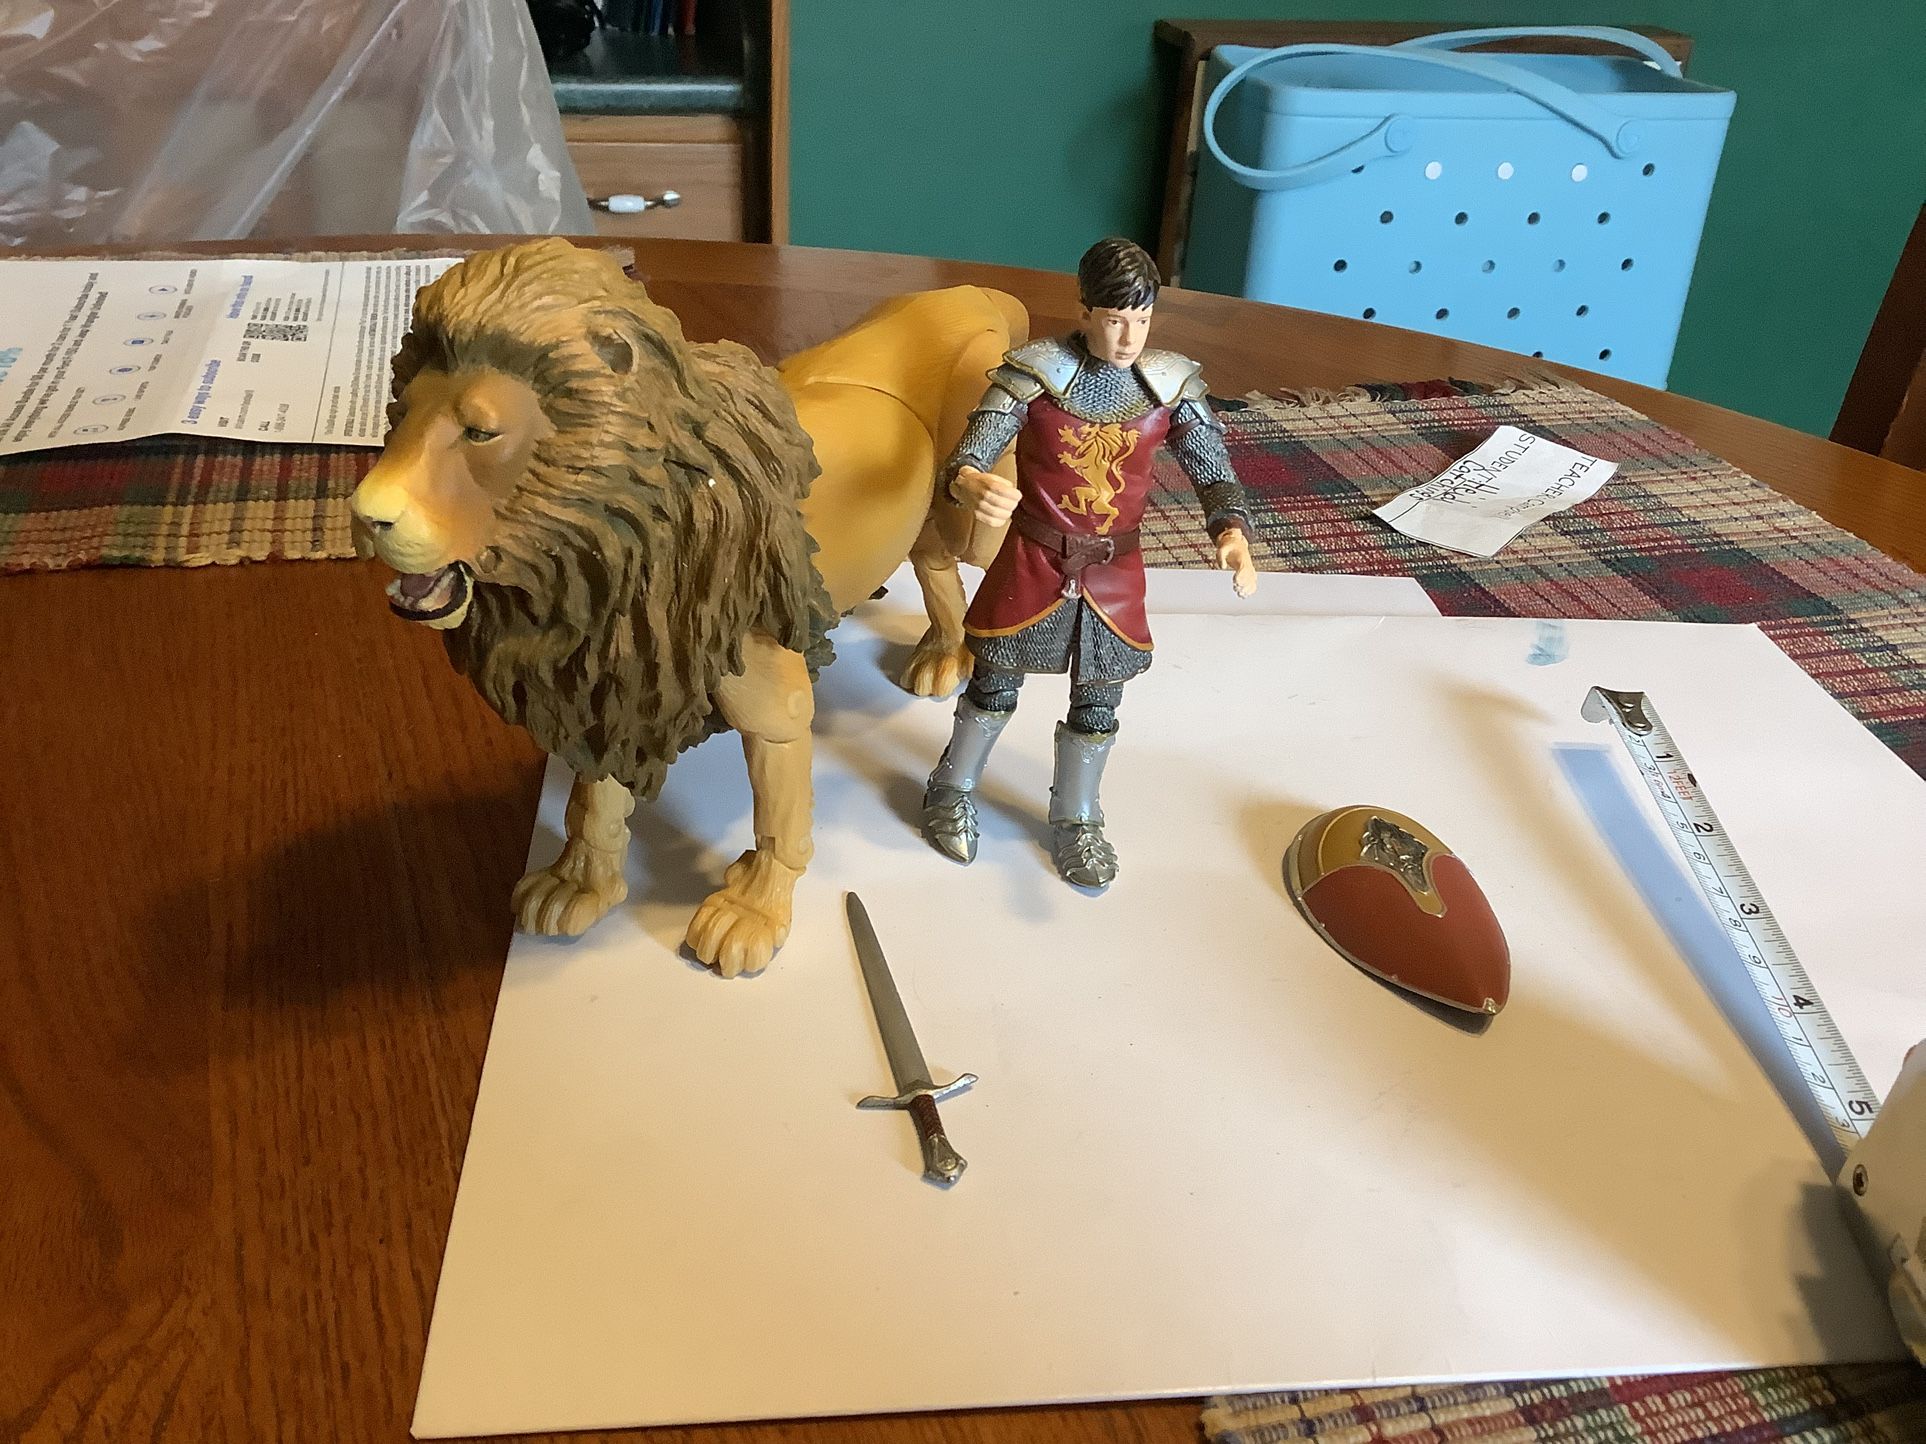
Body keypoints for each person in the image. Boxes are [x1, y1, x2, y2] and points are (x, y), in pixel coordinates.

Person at [922, 236, 1258, 889]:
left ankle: (1077, 816)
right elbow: (966, 459)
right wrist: (970, 484)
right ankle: (951, 786)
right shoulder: (1034, 377)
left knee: (1099, 702)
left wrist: (1232, 531)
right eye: (1115, 320)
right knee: (994, 683)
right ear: (1085, 312)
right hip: (1034, 559)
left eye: (1142, 320)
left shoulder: (1169, 386)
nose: (1129, 338)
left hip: (1113, 573)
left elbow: (1214, 472)